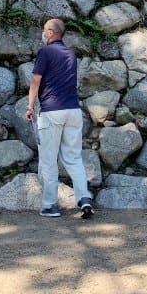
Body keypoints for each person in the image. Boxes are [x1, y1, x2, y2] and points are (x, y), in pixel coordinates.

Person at [25, 18, 94, 219]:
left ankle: (50, 205)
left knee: (48, 160)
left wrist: (30, 106)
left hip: (51, 112)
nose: (43, 33)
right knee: (73, 158)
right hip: (73, 111)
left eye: (44, 30)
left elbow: (35, 80)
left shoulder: (46, 52)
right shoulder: (70, 54)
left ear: (51, 32)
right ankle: (84, 198)